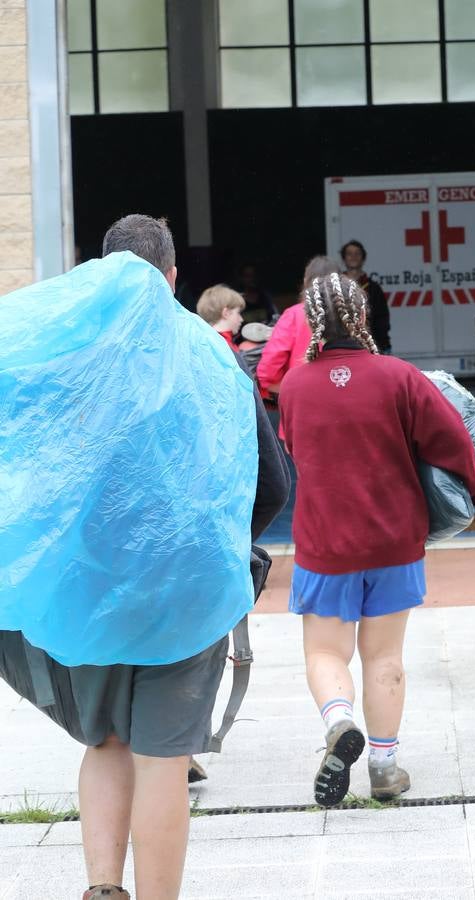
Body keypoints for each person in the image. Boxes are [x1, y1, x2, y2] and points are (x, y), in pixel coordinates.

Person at [0, 215, 289, 900]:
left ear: (101, 269)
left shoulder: (60, 352)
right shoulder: (211, 357)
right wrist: (223, 543)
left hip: (88, 589)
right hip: (187, 591)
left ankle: (104, 888)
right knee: (164, 761)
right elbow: (271, 483)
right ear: (172, 278)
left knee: (104, 742)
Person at [278, 273, 475, 807]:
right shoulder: (400, 377)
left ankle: (339, 721)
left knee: (326, 651)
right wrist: (469, 496)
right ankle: (385, 767)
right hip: (395, 542)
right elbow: (456, 443)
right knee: (385, 656)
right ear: (362, 315)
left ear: (313, 319)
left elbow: (293, 449)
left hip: (325, 544)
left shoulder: (296, 386)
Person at [256, 256, 342, 400]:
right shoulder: (350, 313)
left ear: (305, 281)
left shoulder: (294, 314)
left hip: (302, 395)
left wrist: (285, 390)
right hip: (343, 392)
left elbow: (269, 368)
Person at [341, 239, 392, 353]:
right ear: (344, 258)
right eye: (349, 254)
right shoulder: (336, 287)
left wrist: (384, 345)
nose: (353, 257)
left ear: (363, 258)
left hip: (371, 346)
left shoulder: (374, 288)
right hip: (343, 346)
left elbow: (382, 319)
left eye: (357, 253)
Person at [196, 284, 246, 348]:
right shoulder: (223, 345)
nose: (241, 319)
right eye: (238, 313)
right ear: (226, 313)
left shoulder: (203, 342)